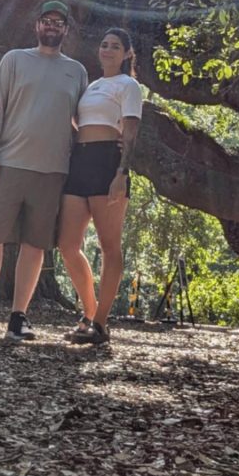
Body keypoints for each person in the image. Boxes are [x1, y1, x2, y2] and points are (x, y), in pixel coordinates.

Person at [0, 0, 88, 342]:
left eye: (59, 22)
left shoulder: (77, 71)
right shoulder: (14, 60)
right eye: (47, 21)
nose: (52, 26)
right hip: (8, 163)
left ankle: (18, 317)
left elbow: (82, 120)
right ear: (36, 26)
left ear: (66, 30)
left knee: (35, 244)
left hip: (53, 170)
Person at [58, 27, 142, 345]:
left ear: (127, 54)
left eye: (115, 46)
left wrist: (122, 172)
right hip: (79, 162)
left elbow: (131, 131)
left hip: (109, 163)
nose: (107, 50)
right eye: (104, 44)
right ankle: (89, 310)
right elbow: (79, 123)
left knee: (110, 246)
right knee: (67, 244)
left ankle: (102, 323)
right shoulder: (90, 86)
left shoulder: (128, 85)